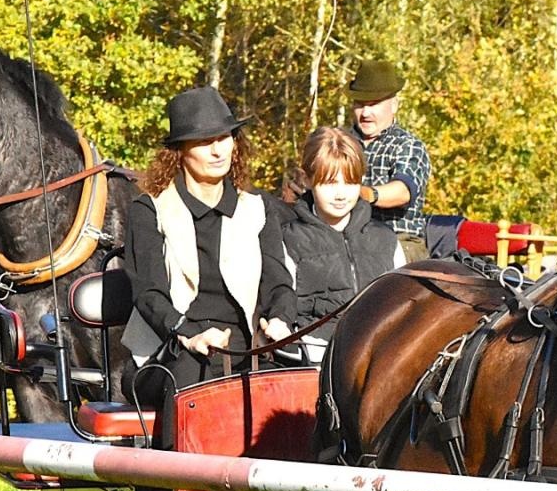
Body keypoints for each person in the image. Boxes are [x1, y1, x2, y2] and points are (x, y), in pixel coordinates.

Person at [124, 86, 296, 404]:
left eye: (224, 138)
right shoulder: (149, 209)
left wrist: (279, 319)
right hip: (170, 349)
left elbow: (279, 282)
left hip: (247, 345)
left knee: (294, 387)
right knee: (192, 376)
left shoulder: (257, 207)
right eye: (204, 142)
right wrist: (188, 334)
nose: (218, 151)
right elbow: (149, 295)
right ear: (180, 152)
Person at [279, 127, 405, 362]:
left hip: (380, 361)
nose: (340, 194)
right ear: (308, 179)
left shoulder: (385, 239)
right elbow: (279, 319)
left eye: (349, 182)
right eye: (329, 183)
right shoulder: (288, 240)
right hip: (315, 361)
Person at [348, 60, 433, 262]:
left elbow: (403, 191)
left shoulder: (409, 146)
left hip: (399, 240)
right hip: (347, 238)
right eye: (359, 104)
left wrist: (365, 193)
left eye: (374, 104)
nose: (365, 113)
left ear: (394, 105)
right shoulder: (341, 143)